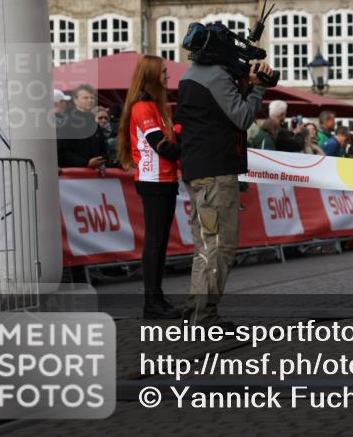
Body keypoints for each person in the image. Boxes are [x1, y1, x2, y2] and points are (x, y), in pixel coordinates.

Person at [175, 51, 273, 327]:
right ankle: (203, 316)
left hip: (197, 172)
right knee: (220, 246)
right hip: (215, 173)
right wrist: (257, 88)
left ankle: (195, 311)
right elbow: (242, 118)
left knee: (205, 246)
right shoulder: (217, 77)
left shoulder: (190, 75)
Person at [116, 56, 182, 320]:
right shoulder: (143, 107)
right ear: (153, 76)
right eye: (164, 72)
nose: (168, 76)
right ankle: (151, 301)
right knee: (155, 242)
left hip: (165, 179)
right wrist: (195, 149)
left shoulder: (157, 106)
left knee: (161, 241)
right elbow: (162, 146)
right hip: (153, 180)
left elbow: (171, 139)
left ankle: (156, 296)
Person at [57, 84, 107, 170]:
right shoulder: (68, 122)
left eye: (92, 98)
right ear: (75, 100)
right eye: (85, 98)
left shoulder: (94, 121)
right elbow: (62, 152)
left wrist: (102, 162)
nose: (90, 100)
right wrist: (85, 163)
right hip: (75, 176)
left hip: (95, 175)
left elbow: (103, 147)